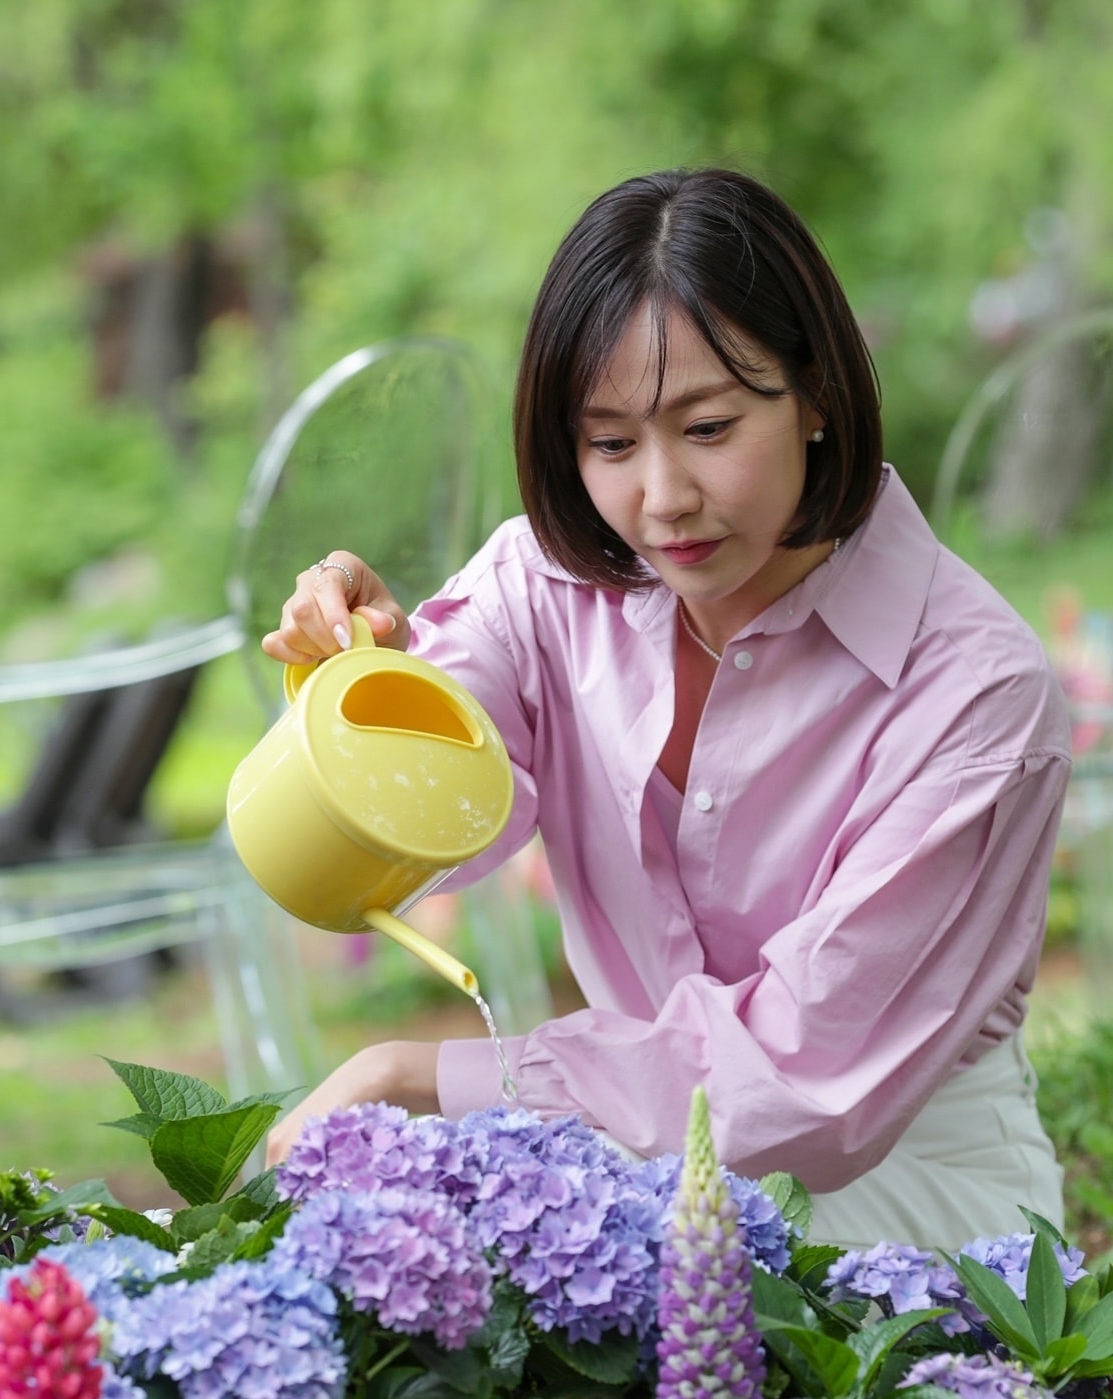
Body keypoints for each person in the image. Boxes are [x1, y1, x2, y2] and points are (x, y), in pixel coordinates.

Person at [261, 166, 1071, 1252]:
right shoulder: (543, 593)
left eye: (708, 426)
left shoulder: (975, 692)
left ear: (819, 392)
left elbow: (804, 1090)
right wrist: (359, 690)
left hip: (911, 1211)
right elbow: (384, 857)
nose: (662, 498)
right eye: (609, 444)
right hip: (631, 1182)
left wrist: (425, 1078)